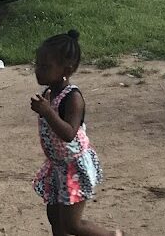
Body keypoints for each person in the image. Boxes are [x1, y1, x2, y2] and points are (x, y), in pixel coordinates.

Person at [30, 30, 122, 236]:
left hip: (74, 168)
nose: (38, 70)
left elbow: (69, 133)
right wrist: (46, 109)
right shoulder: (49, 92)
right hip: (57, 167)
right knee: (55, 218)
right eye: (37, 64)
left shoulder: (73, 98)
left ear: (67, 69)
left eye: (45, 67)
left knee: (73, 225)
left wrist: (47, 112)